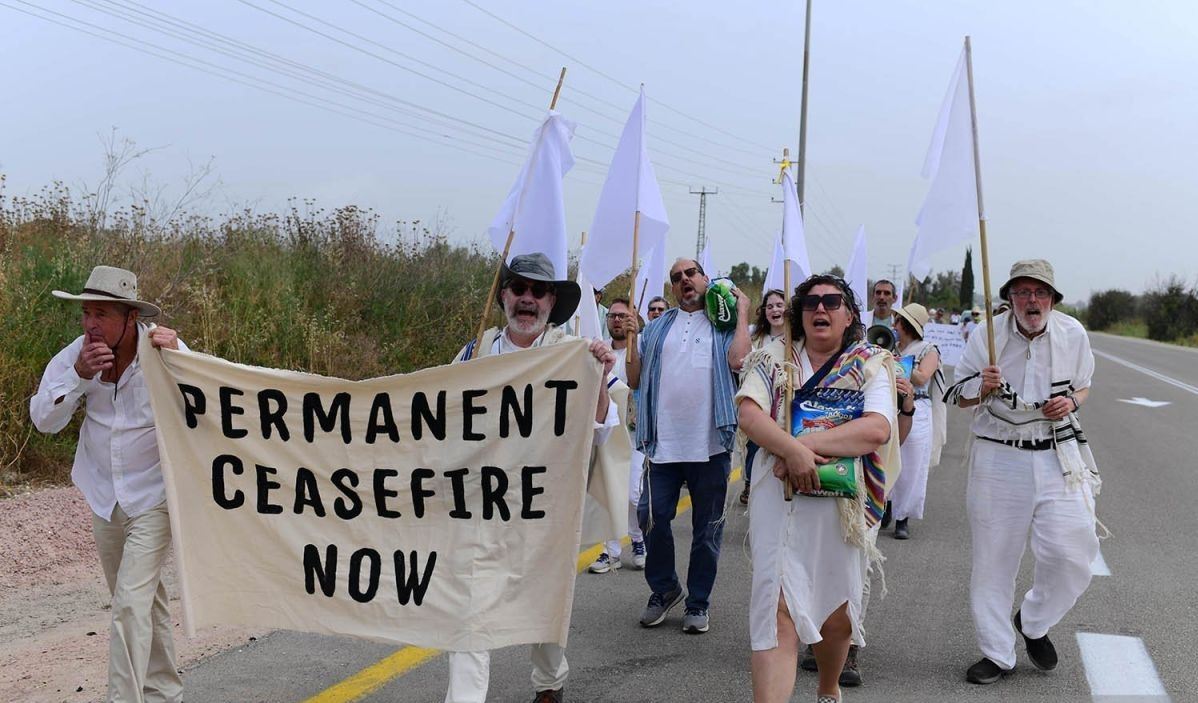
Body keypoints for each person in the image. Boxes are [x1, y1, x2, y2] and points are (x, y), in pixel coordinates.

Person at [451, 253, 618, 703]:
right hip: (482, 506)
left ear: (551, 302)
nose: (527, 299)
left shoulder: (571, 354)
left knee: (545, 604)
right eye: (519, 289)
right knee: (470, 612)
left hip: (546, 508)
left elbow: (600, 426)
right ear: (504, 294)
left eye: (538, 291)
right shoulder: (474, 353)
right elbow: (441, 418)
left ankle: (549, 684)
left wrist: (598, 375)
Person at [736, 274, 900, 703]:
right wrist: (789, 453)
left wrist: (798, 450)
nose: (821, 309)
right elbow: (751, 417)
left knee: (836, 614)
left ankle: (828, 690)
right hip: (778, 501)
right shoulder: (771, 358)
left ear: (849, 315)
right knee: (777, 610)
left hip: (841, 508)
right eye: (810, 303)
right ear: (799, 313)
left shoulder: (870, 362)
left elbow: (876, 429)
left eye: (832, 302)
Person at [29, 265, 186, 703]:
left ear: (130, 318)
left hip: (154, 495)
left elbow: (204, 407)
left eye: (101, 314)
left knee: (128, 606)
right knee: (143, 601)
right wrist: (78, 377)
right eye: (85, 314)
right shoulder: (74, 356)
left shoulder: (165, 349)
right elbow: (43, 421)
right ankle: (164, 693)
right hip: (104, 496)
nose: (90, 324)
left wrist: (183, 364)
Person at [945, 259, 1102, 686]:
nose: (1031, 301)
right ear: (1009, 298)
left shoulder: (1073, 334)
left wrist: (1072, 403)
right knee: (994, 560)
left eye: (1040, 293)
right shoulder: (986, 337)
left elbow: (1084, 385)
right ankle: (996, 653)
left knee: (1075, 554)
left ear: (1052, 298)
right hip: (999, 457)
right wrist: (983, 386)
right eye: (1022, 292)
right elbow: (956, 395)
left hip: (1057, 456)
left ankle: (1032, 621)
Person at [626, 258, 751, 635]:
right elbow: (633, 378)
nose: (684, 281)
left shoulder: (723, 324)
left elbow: (740, 360)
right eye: (676, 277)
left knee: (706, 529)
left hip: (710, 445)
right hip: (662, 444)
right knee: (650, 516)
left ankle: (698, 602)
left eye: (690, 274)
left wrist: (742, 312)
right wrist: (633, 336)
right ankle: (665, 590)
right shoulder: (658, 328)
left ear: (705, 279)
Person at [588, 297, 647, 574]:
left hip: (635, 435)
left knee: (633, 493)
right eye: (612, 315)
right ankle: (609, 551)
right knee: (607, 490)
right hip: (608, 432)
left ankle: (637, 539)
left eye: (623, 316)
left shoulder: (640, 351)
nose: (616, 320)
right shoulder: (596, 354)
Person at [885, 303, 945, 540]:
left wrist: (897, 361)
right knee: (888, 456)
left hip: (917, 408)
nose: (893, 326)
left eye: (897, 321)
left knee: (912, 464)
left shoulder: (928, 350)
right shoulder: (890, 345)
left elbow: (921, 378)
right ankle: (886, 507)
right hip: (890, 405)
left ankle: (903, 517)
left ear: (906, 325)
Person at [738, 289, 788, 505]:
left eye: (779, 305)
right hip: (759, 401)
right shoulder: (756, 338)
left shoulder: (796, 338)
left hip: (785, 403)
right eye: (770, 306)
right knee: (756, 446)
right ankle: (752, 483)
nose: (775, 310)